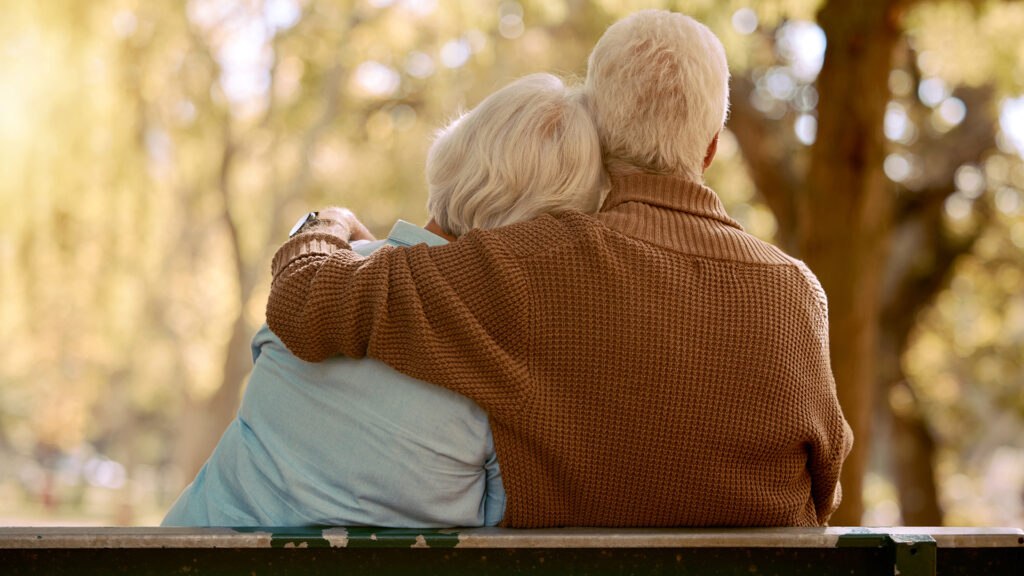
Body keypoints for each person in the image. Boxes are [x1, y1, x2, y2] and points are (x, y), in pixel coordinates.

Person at [267, 9, 853, 528]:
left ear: (596, 132)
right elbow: (825, 488)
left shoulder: (531, 264)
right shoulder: (796, 294)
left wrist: (329, 222)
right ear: (710, 148)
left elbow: (303, 303)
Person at [162, 73, 604, 527]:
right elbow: (493, 518)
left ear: (456, 155)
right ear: (548, 230)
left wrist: (336, 225)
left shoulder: (314, 280)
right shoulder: (504, 371)